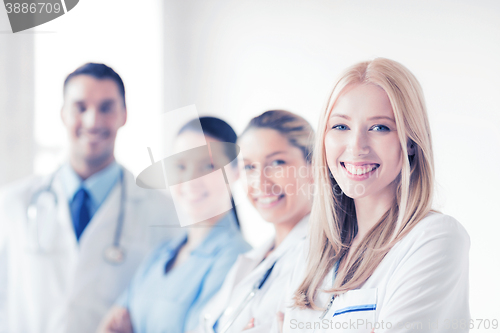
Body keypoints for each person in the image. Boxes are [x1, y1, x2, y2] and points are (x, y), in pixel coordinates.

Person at [277, 58, 470, 332]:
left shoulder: (434, 238)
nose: (356, 147)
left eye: (380, 127)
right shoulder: (310, 254)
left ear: (411, 142)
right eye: (341, 126)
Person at [0, 63, 180, 333]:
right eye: (80, 107)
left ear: (124, 115)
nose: (92, 121)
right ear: (63, 114)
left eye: (106, 107)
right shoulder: (12, 204)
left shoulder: (163, 213)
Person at [97, 116, 252, 333]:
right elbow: (111, 325)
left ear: (236, 172)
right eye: (180, 165)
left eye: (208, 165)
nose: (190, 178)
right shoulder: (161, 254)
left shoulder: (239, 260)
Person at [197, 110, 314, 333]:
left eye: (277, 162)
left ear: (313, 167)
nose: (260, 182)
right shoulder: (255, 258)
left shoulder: (322, 259)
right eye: (250, 167)